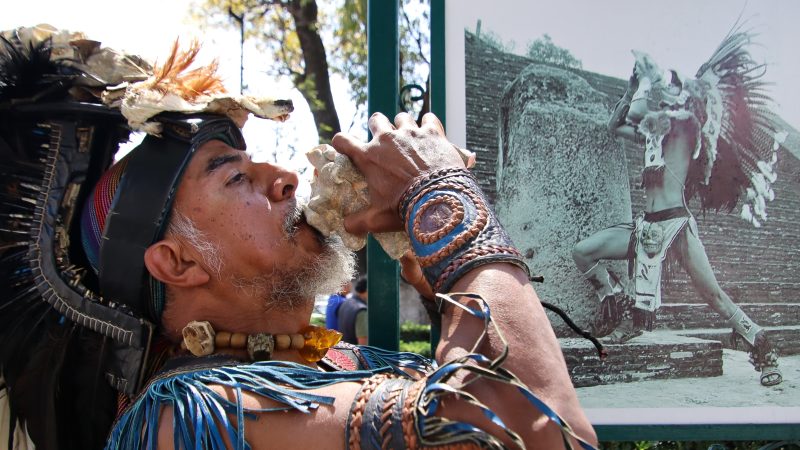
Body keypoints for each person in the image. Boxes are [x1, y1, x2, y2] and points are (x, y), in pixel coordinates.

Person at [0, 26, 598, 449]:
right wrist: (443, 201)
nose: (285, 178)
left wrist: (442, 280)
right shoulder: (187, 416)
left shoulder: (340, 361)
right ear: (177, 262)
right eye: (234, 176)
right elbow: (532, 432)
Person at [572, 28, 785, 387]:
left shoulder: (687, 129)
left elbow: (689, 105)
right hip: (646, 226)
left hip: (676, 225)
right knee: (582, 252)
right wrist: (631, 87)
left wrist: (664, 84)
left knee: (713, 294)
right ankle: (615, 297)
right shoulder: (651, 134)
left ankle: (762, 346)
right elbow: (614, 125)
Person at [339, 276, 369, 344]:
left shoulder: (346, 302)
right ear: (367, 290)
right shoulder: (362, 310)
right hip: (353, 353)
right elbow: (363, 345)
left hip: (344, 350)